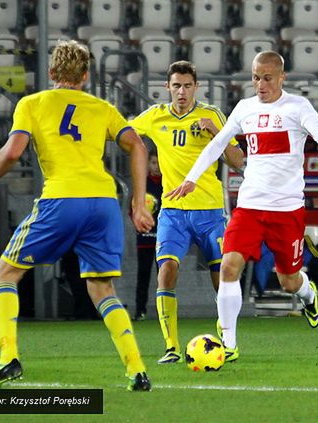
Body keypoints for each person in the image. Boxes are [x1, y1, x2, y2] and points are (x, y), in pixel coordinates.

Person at [0, 40, 155, 392]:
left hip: (62, 200)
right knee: (102, 287)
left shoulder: (32, 103)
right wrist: (139, 202)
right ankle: (137, 369)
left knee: (5, 273)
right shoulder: (102, 107)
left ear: (51, 73)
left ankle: (8, 358)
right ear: (85, 75)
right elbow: (138, 146)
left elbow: (13, 150)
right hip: (103, 202)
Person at [167, 51, 318, 362]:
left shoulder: (297, 107)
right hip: (249, 206)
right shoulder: (245, 109)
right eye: (255, 77)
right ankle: (229, 344)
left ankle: (308, 294)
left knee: (288, 281)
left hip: (287, 209)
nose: (260, 84)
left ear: (281, 78)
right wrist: (192, 177)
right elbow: (218, 143)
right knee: (229, 267)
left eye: (267, 78)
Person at [129, 60, 245, 364]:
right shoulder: (155, 117)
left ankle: (228, 338)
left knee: (222, 278)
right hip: (173, 213)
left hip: (209, 211)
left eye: (187, 85)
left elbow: (238, 160)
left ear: (196, 87)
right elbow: (121, 132)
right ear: (167, 87)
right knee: (166, 272)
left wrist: (217, 134)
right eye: (176, 85)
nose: (182, 91)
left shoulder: (211, 115)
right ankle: (170, 347)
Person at [133, 151, 162, 321]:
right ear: (148, 164)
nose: (156, 166)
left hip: (163, 239)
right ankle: (140, 310)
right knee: (143, 275)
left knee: (164, 277)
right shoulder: (142, 185)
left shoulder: (168, 183)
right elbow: (133, 209)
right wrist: (139, 222)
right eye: (152, 163)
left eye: (158, 163)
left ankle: (163, 311)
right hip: (144, 238)